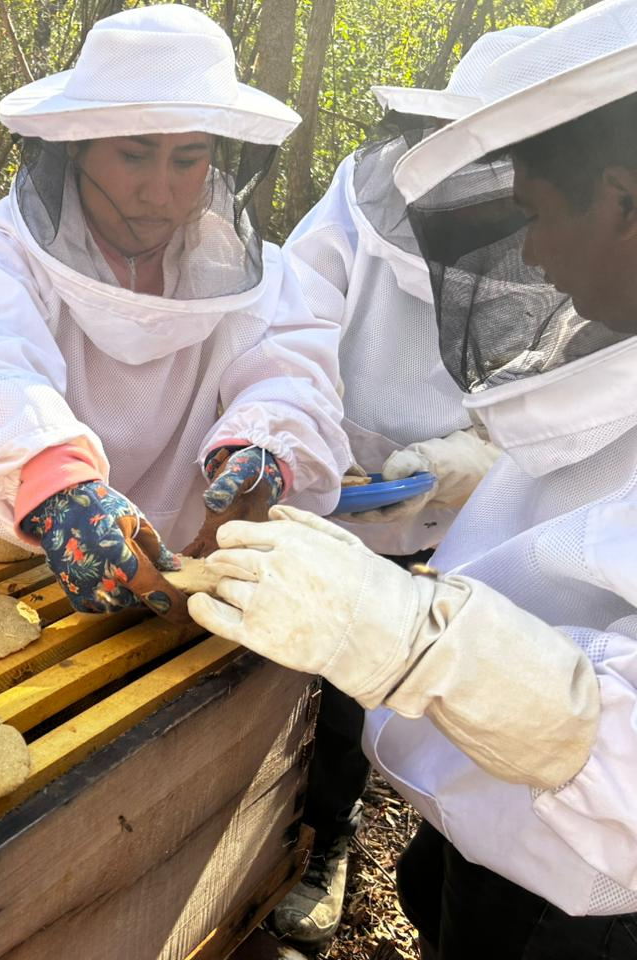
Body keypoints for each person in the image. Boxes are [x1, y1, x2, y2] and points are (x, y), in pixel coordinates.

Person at [189, 1, 637, 955]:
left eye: (539, 214)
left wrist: (408, 636)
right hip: (498, 828)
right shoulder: (606, 310)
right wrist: (479, 472)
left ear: (621, 196)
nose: (536, 256)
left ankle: (328, 838)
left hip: (589, 895)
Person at [0, 4, 349, 619]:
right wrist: (55, 483)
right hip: (21, 558)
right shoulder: (4, 250)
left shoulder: (249, 272)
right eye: (134, 155)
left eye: (187, 159)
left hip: (181, 569)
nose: (160, 190)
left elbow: (291, 375)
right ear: (78, 150)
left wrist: (261, 452)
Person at [271, 25, 543, 948]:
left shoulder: (556, 231)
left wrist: (472, 457)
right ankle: (247, 833)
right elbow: (293, 317)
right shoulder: (366, 193)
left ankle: (328, 842)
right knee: (265, 661)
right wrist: (304, 439)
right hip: (321, 466)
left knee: (365, 679)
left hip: (453, 509)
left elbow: (553, 384)